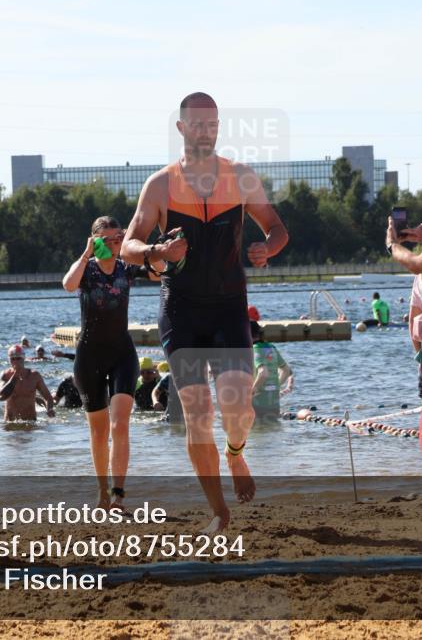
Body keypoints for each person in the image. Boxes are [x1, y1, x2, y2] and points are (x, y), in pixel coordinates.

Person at [121, 92, 289, 532]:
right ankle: (218, 510)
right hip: (182, 309)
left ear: (218, 127)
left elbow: (277, 228)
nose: (204, 131)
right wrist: (157, 249)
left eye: (210, 124)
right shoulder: (160, 185)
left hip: (229, 307)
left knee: (239, 409)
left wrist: (266, 248)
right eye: (195, 124)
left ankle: (236, 454)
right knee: (197, 413)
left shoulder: (241, 178)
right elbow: (127, 246)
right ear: (181, 128)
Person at [63, 216, 162, 509]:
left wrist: (155, 249)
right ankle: (102, 490)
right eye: (109, 240)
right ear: (95, 242)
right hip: (89, 357)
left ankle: (118, 492)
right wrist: (86, 253)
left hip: (122, 354)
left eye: (119, 237)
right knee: (99, 431)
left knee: (120, 425)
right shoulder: (87, 270)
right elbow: (68, 284)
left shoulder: (126, 269)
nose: (116, 243)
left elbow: (159, 273)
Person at [249, 321, 293, 420]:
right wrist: (276, 385)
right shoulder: (271, 348)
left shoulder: (254, 349)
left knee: (255, 434)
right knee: (270, 432)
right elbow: (286, 370)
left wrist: (251, 392)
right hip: (274, 405)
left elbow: (263, 373)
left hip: (258, 406)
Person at [0, 345, 55, 421]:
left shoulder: (34, 376)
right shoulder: (5, 375)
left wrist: (49, 409)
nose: (16, 361)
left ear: (23, 358)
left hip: (30, 423)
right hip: (10, 425)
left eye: (18, 358)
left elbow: (48, 398)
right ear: (9, 360)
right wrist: (15, 376)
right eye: (13, 359)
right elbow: (2, 396)